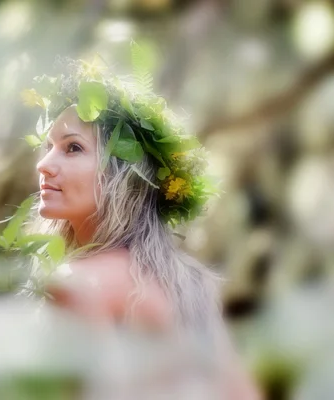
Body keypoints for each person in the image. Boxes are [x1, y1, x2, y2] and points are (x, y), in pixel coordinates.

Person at [20, 55, 261, 399]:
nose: (44, 164)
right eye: (49, 148)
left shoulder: (79, 283)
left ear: (123, 176)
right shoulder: (189, 282)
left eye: (73, 148)